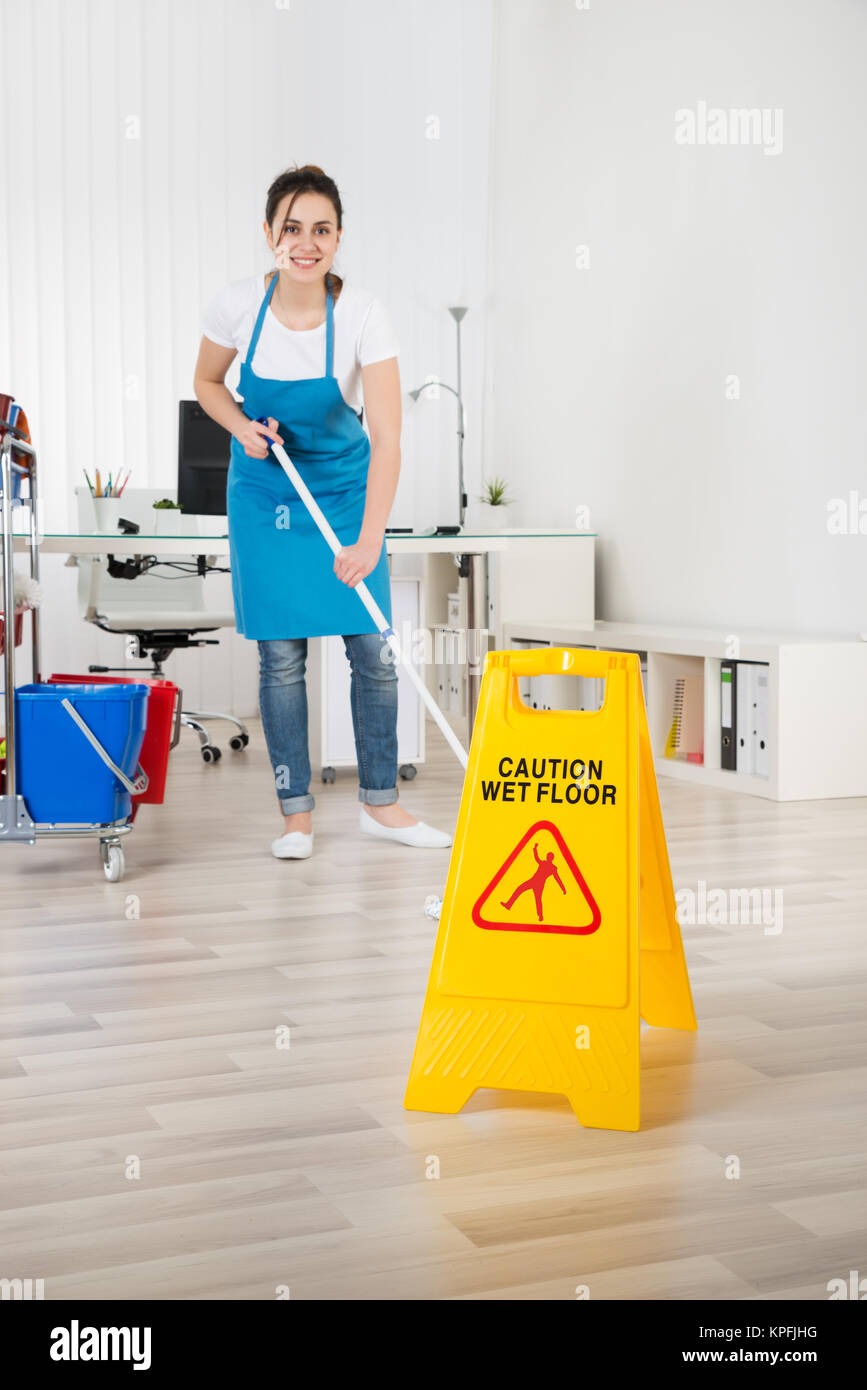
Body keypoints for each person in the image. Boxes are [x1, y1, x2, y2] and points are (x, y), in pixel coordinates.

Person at [194, 163, 452, 859]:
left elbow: (389, 437)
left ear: (338, 236)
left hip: (342, 492)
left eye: (322, 229)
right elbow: (207, 382)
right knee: (281, 658)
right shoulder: (237, 307)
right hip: (265, 495)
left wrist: (369, 540)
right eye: (291, 228)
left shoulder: (364, 313)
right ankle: (296, 816)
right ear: (269, 233)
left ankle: (382, 804)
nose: (306, 243)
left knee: (372, 652)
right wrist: (241, 428)